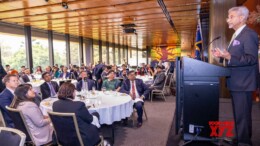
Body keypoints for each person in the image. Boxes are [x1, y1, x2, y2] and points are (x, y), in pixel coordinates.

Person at [212, 6, 259, 146]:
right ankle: (241, 138)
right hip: (236, 82)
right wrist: (223, 56)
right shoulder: (237, 35)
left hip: (243, 83)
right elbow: (235, 57)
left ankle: (244, 143)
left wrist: (230, 56)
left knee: (242, 115)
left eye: (231, 16)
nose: (228, 19)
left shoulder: (249, 34)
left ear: (241, 18)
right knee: (240, 115)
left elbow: (251, 58)